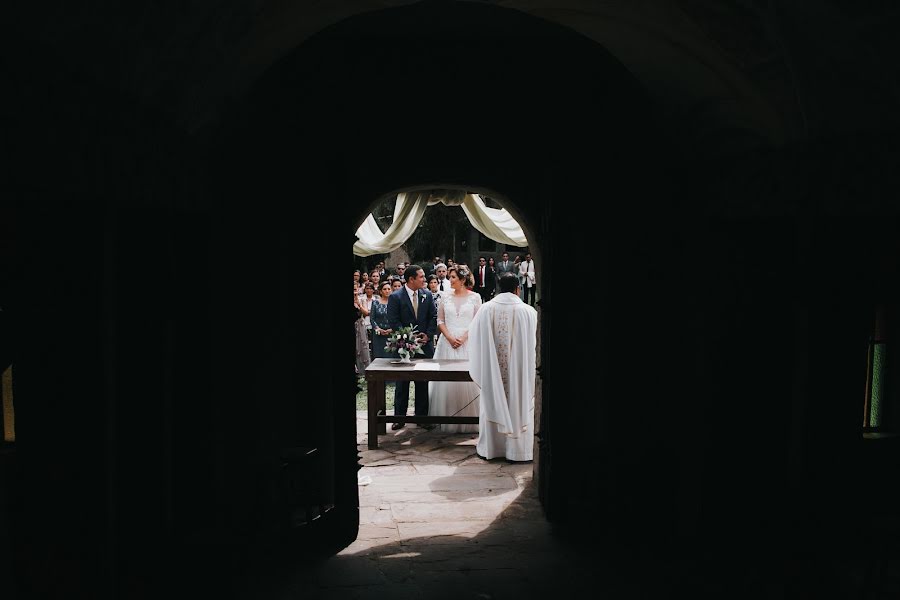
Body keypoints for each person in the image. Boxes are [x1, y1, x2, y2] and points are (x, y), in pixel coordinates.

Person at [468, 272, 538, 461]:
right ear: (518, 288)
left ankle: (493, 449)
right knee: (519, 399)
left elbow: (473, 341)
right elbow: (535, 346)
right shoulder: (529, 311)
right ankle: (518, 452)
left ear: (499, 287)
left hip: (493, 374)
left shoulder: (486, 309)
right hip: (519, 374)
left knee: (493, 397)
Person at [428, 265, 482, 433]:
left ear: (463, 280)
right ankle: (446, 417)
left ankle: (470, 418)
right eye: (450, 277)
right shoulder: (445, 297)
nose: (449, 280)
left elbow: (477, 321)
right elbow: (440, 320)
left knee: (469, 379)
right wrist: (450, 337)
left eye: (453, 277)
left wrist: (464, 337)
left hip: (468, 342)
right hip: (447, 342)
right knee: (446, 381)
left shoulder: (475, 297)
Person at [386, 264, 438, 430]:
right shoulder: (396, 297)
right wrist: (408, 337)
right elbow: (393, 321)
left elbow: (433, 316)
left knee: (423, 381)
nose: (425, 279)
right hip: (404, 346)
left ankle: (421, 417)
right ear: (411, 279)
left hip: (424, 346)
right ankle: (399, 418)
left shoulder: (427, 295)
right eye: (421, 277)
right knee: (402, 382)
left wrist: (427, 335)